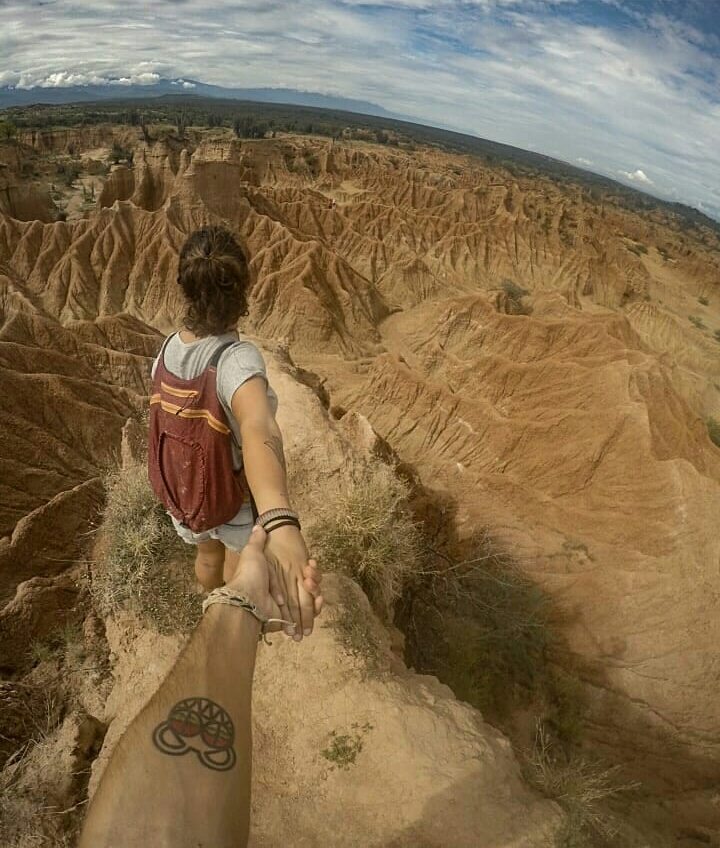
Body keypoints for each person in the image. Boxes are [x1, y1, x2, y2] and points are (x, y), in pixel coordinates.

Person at [78, 525, 323, 848]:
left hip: (190, 510)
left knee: (207, 552)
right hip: (231, 514)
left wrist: (244, 597)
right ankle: (223, 587)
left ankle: (214, 589)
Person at [148, 226, 316, 640]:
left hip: (184, 491)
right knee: (240, 556)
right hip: (231, 498)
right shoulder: (236, 360)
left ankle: (211, 605)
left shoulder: (166, 349)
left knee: (206, 551)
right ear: (243, 291)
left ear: (183, 288)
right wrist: (280, 520)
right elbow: (259, 427)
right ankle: (231, 616)